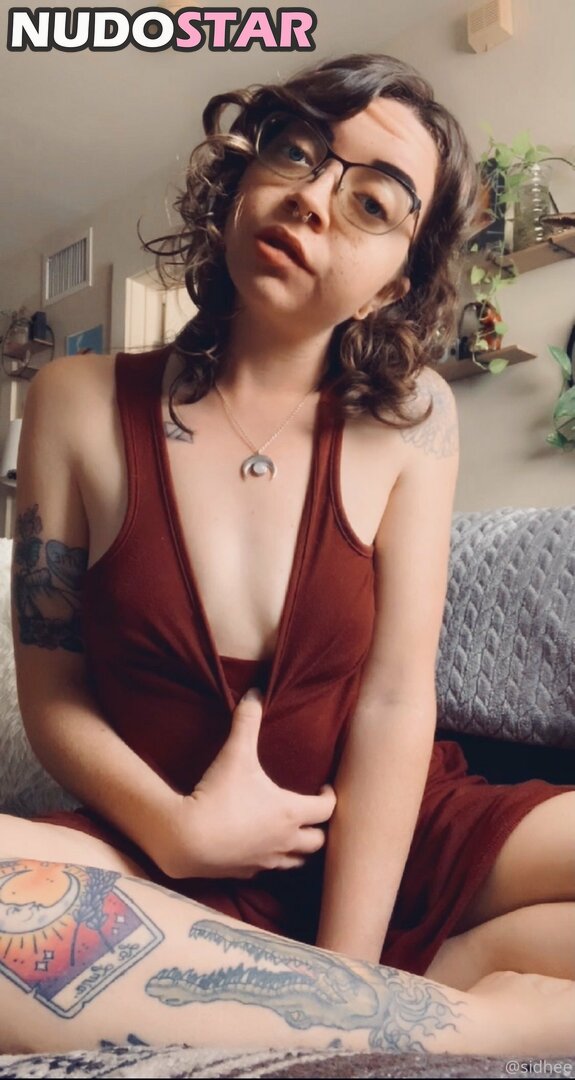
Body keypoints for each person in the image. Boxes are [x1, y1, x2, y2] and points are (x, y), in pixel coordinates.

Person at [2, 53, 574, 1055]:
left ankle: (353, 1002)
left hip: (386, 839)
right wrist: (179, 830)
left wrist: (349, 967)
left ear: (396, 280)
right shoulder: (74, 402)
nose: (311, 198)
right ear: (239, 182)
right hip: (158, 852)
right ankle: (464, 1020)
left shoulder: (412, 422)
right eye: (297, 154)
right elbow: (53, 695)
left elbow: (394, 701)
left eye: (370, 202)